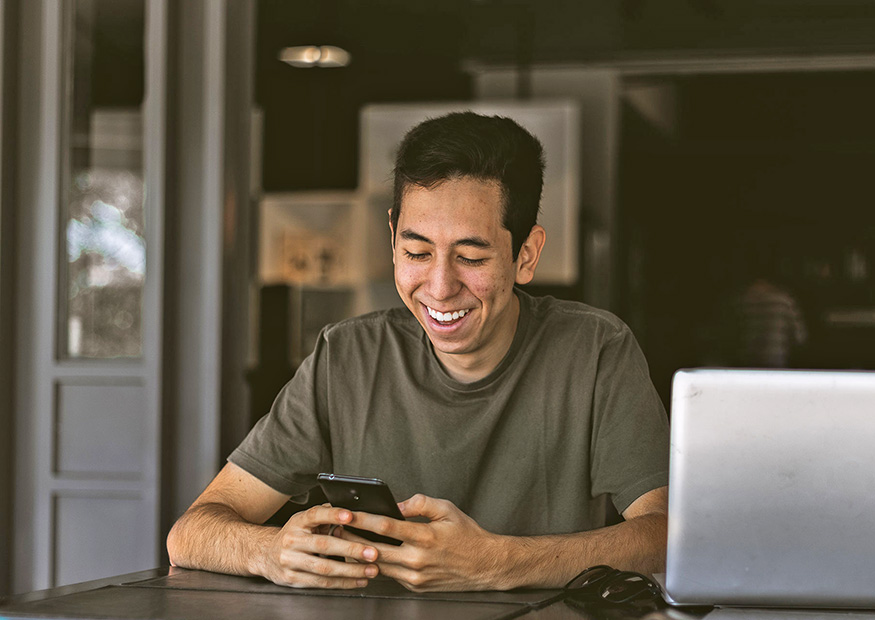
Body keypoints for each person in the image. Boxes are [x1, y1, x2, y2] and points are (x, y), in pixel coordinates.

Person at [167, 112, 670, 592]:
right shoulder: (346, 356)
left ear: (527, 255)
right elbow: (190, 534)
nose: (440, 286)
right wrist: (271, 551)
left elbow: (665, 536)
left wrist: (494, 563)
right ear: (391, 238)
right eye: (417, 252)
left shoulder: (596, 349)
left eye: (471, 257)